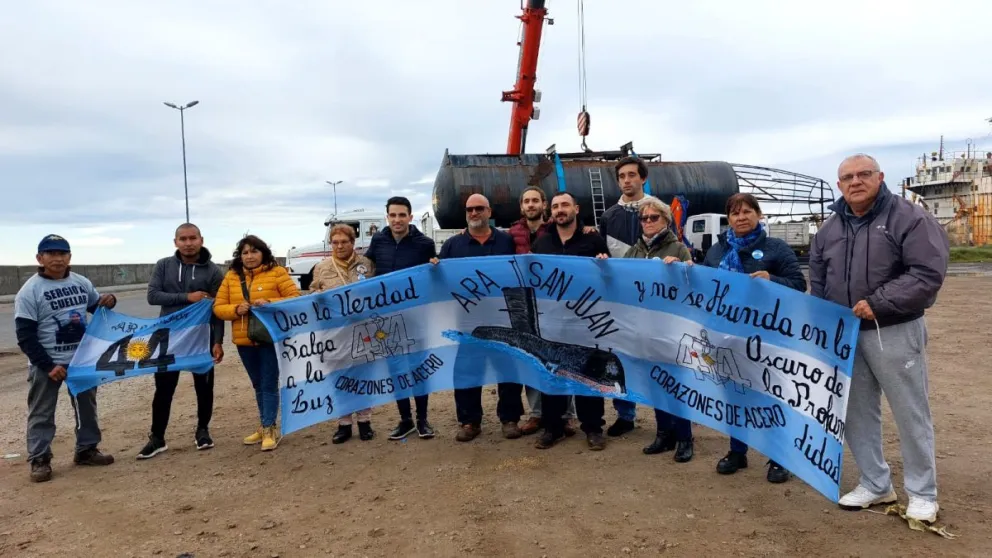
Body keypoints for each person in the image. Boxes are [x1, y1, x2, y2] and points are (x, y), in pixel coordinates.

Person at [810, 154, 948, 523]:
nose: (856, 181)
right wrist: (823, 322)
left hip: (895, 329)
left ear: (880, 177)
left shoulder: (909, 217)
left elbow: (926, 273)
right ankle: (875, 483)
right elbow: (819, 280)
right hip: (847, 336)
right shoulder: (829, 229)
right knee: (855, 413)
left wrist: (879, 303)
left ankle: (922, 492)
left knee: (910, 411)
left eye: (864, 174)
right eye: (847, 177)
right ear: (839, 185)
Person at [702, 193, 805, 484]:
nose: (741, 217)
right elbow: (703, 286)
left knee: (771, 395)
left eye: (748, 211)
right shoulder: (715, 252)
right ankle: (737, 451)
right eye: (735, 213)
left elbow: (799, 284)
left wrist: (773, 281)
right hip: (726, 336)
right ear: (729, 219)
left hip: (767, 338)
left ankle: (778, 457)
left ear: (759, 215)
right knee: (735, 396)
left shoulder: (776, 248)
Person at [14, 234, 118, 482]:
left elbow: (97, 308)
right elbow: (25, 336)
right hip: (47, 364)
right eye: (51, 254)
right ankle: (39, 459)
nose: (57, 258)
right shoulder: (30, 291)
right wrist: (48, 366)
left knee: (86, 409)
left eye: (62, 253)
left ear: (70, 257)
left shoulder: (81, 282)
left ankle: (87, 449)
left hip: (81, 361)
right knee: (41, 412)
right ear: (40, 258)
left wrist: (110, 301)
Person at [438, 194, 525, 441]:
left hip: (503, 319)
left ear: (489, 211)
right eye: (469, 209)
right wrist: (434, 266)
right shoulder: (453, 246)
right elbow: (440, 279)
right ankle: (469, 421)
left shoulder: (506, 241)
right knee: (467, 371)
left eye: (479, 209)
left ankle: (509, 419)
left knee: (508, 370)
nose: (474, 213)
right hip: (467, 321)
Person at [137, 223, 225, 459]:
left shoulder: (214, 272)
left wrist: (218, 341)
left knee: (204, 388)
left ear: (201, 239)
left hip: (200, 339)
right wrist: (188, 297)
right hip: (168, 339)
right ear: (175, 242)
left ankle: (203, 431)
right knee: (163, 390)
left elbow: (218, 309)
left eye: (192, 238)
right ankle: (157, 438)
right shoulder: (164, 266)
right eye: (183, 239)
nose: (188, 243)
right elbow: (152, 296)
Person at [531, 192, 611, 450]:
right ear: (550, 212)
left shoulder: (592, 239)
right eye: (555, 206)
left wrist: (604, 265)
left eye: (564, 205)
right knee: (552, 372)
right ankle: (552, 427)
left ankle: (593, 427)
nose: (559, 210)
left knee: (588, 373)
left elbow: (608, 276)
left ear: (576, 208)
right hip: (553, 320)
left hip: (585, 319)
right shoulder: (542, 242)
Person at [622, 197, 695, 463]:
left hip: (671, 329)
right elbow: (620, 280)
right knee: (656, 383)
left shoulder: (678, 247)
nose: (649, 222)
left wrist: (683, 269)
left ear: (666, 219)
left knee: (676, 383)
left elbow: (692, 286)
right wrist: (604, 263)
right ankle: (664, 433)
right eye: (644, 218)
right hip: (645, 327)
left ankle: (685, 437)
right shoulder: (635, 251)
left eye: (654, 217)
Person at [213, 235, 300, 451]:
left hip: (270, 337)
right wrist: (235, 309)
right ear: (239, 256)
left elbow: (295, 298)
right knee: (258, 384)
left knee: (269, 383)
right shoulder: (232, 277)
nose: (249, 256)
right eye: (245, 252)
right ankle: (265, 424)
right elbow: (218, 307)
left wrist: (269, 303)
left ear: (263, 252)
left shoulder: (278, 272)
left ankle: (270, 427)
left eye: (254, 251)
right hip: (244, 340)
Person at [364, 196, 439, 440]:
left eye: (401, 215)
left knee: (418, 368)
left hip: (416, 317)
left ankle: (422, 419)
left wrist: (436, 265)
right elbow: (366, 268)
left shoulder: (424, 243)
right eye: (392, 215)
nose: (397, 220)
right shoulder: (378, 240)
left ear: (410, 216)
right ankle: (405, 419)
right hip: (387, 319)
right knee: (396, 369)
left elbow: (434, 275)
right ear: (387, 217)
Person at [507, 186, 577, 436]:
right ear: (521, 206)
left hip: (555, 303)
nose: (531, 205)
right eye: (527, 201)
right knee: (532, 358)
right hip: (524, 303)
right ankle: (537, 413)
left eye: (536, 200)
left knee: (561, 359)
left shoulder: (556, 229)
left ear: (544, 204)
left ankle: (567, 415)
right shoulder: (511, 233)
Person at [598, 156, 654, 437]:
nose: (627, 180)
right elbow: (602, 256)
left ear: (642, 178)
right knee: (618, 357)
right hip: (619, 300)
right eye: (622, 176)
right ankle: (625, 415)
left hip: (653, 301)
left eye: (632, 175)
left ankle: (665, 417)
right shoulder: (609, 216)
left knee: (655, 355)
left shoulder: (657, 210)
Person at [310, 224, 378, 444]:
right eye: (335, 242)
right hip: (334, 332)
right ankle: (344, 423)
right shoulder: (321, 268)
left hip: (362, 330)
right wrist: (316, 295)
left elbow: (377, 292)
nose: (339, 246)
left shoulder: (367, 265)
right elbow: (311, 295)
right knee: (340, 378)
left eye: (344, 242)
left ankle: (365, 422)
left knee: (362, 376)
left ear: (353, 242)